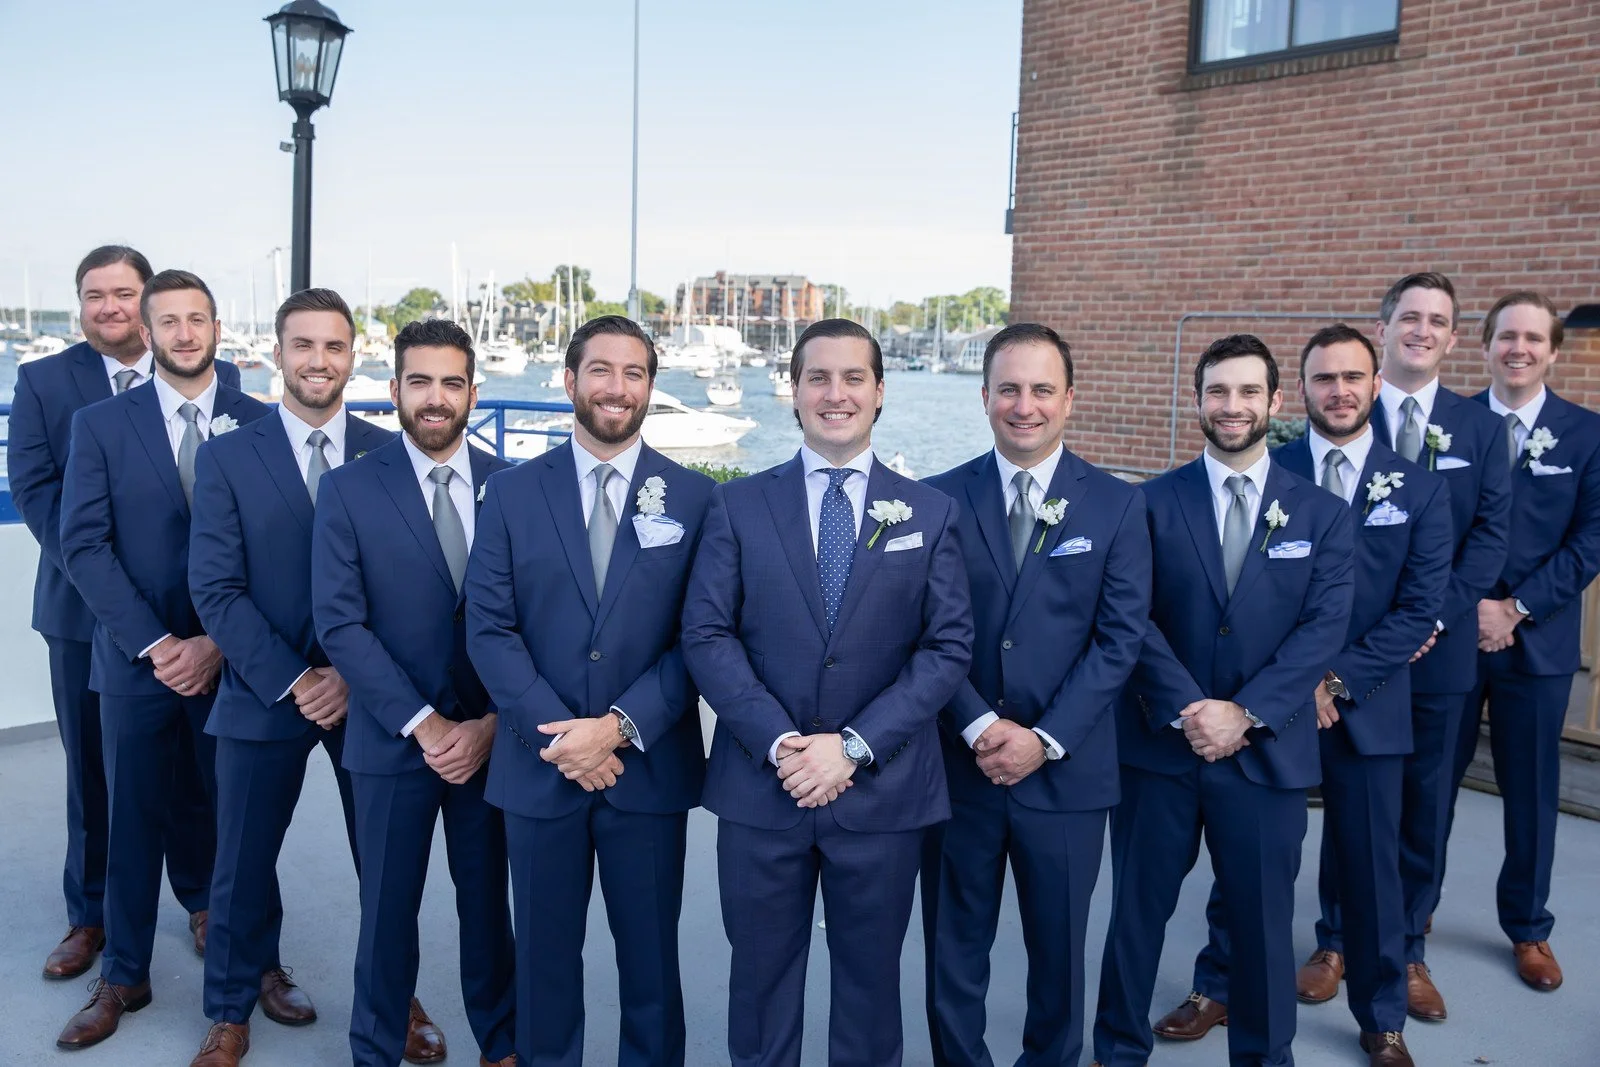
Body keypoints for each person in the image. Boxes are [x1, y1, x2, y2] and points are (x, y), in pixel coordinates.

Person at [682, 318, 973, 1067]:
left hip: (885, 792)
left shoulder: (930, 512)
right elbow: (707, 634)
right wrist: (782, 743)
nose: (834, 394)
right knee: (759, 987)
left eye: (852, 378)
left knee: (872, 991)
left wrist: (853, 747)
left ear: (880, 391)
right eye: (818, 377)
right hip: (763, 787)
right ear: (793, 391)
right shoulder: (738, 505)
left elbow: (946, 647)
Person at [1169, 325, 1452, 1067]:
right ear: (1297, 391)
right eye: (1324, 378)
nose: (1340, 391)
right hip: (1262, 706)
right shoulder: (1261, 461)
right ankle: (1218, 985)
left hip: (1364, 704)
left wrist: (1333, 680)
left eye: (1353, 377)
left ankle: (1381, 1016)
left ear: (1376, 384)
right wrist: (1283, 690)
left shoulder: (1419, 488)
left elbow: (1418, 610)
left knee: (1370, 868)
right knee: (1248, 864)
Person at [1091, 334, 1354, 1067]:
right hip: (1160, 749)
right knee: (1136, 914)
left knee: (1263, 924)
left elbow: (1322, 628)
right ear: (1197, 400)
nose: (1231, 405)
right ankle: (1117, 1050)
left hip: (1266, 754)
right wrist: (1191, 707)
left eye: (1247, 392)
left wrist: (1245, 712)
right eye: (1217, 391)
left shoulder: (1322, 514)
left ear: (1275, 400)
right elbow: (1130, 616)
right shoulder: (1147, 503)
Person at [467, 314, 714, 1066]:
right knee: (543, 962)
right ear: (570, 380)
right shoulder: (510, 492)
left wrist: (616, 727)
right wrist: (564, 736)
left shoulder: (698, 499)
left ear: (650, 386)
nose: (617, 387)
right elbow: (489, 629)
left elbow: (701, 639)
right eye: (601, 370)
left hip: (647, 770)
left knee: (651, 965)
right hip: (539, 768)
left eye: (634, 372)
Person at [186, 289, 421, 1066]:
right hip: (266, 688)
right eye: (303, 345)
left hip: (371, 696)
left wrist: (354, 676)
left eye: (334, 346)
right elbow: (216, 588)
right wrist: (297, 679)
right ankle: (228, 1011)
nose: (319, 360)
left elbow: (410, 586)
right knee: (239, 864)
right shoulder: (227, 456)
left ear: (354, 356)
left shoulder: (391, 454)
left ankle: (395, 998)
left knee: (387, 864)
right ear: (276, 353)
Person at [920, 322, 1150, 1066]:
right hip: (960, 767)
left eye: (1042, 389)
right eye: (1009, 389)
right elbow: (923, 632)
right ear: (984, 396)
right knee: (953, 947)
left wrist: (1043, 738)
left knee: (1059, 952)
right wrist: (978, 724)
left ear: (1069, 399)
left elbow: (1119, 639)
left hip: (1067, 772)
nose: (1025, 406)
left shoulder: (1117, 506)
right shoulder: (937, 500)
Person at [56, 269, 270, 1050]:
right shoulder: (99, 424)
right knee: (132, 821)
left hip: (236, 661)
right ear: (146, 333)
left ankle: (257, 965)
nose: (184, 333)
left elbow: (277, 549)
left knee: (243, 823)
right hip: (135, 660)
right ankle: (124, 973)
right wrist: (158, 643)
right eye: (169, 321)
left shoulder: (261, 422)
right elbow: (85, 545)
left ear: (217, 328)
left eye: (197, 319)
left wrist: (217, 642)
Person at [8, 246, 235, 981]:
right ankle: (91, 914)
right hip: (83, 615)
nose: (108, 306)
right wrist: (110, 588)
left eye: (122, 293)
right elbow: (36, 491)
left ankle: (202, 899)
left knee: (200, 769)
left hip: (199, 622)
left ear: (147, 305)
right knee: (94, 772)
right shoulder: (45, 381)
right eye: (93, 295)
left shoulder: (219, 382)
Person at [312, 317, 516, 1067]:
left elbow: (536, 619)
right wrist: (426, 724)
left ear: (472, 393)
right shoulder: (348, 488)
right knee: (386, 912)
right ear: (395, 389)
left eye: (452, 383)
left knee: (488, 908)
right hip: (393, 739)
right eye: (421, 382)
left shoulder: (514, 485)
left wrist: (491, 723)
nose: (436, 398)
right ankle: (375, 1049)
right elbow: (340, 624)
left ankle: (503, 1044)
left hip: (491, 743)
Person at [1311, 273, 1512, 1021]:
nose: (1422, 330)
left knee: (1425, 804)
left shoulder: (1479, 428)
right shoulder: (1336, 411)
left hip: (1437, 654)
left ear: (1454, 337)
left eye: (1438, 320)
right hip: (1340, 659)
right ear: (1384, 327)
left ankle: (1408, 943)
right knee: (1348, 798)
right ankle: (1335, 940)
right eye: (1410, 317)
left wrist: (1432, 620)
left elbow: (1490, 534)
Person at [1455, 291, 1600, 991]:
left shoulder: (1587, 434)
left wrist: (1515, 608)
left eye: (1533, 338)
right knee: (1427, 783)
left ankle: (1528, 927)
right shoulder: (1449, 426)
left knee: (1532, 792)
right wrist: (1468, 608)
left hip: (1537, 640)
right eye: (1506, 336)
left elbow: (1591, 540)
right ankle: (1409, 915)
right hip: (1450, 636)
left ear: (1552, 352)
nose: (1518, 348)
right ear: (1484, 346)